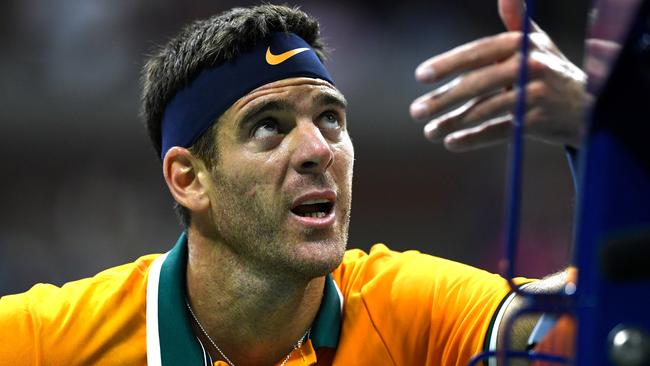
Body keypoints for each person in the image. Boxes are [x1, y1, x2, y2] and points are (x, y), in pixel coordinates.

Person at [0, 2, 587, 365]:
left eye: (330, 118)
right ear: (189, 179)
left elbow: (597, 331)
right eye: (268, 126)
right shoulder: (47, 338)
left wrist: (597, 134)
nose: (317, 150)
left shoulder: (412, 309)